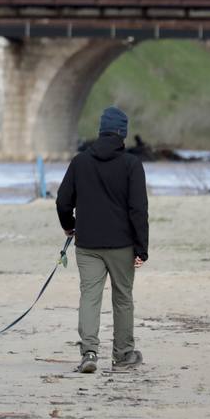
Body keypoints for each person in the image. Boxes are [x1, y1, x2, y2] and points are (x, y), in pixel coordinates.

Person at [56, 105, 149, 374]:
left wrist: (69, 226)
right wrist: (142, 248)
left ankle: (89, 352)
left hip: (88, 245)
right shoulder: (132, 164)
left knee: (89, 297)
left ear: (100, 131)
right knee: (123, 298)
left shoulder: (80, 161)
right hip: (122, 244)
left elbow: (63, 201)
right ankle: (123, 355)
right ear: (123, 133)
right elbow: (138, 210)